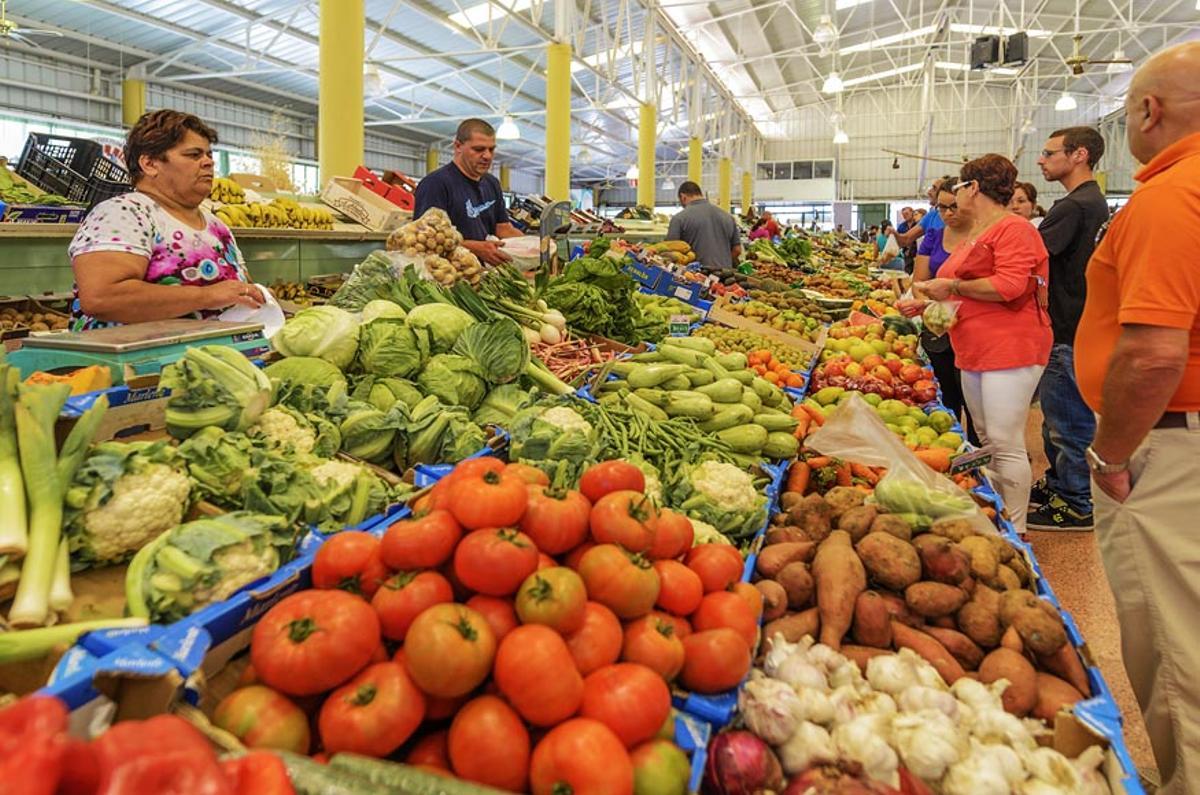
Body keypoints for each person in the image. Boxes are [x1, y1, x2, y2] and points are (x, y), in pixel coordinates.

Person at [1073, 41, 1200, 795]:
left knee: (1176, 637)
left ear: (1148, 111)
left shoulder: (1170, 197)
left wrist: (1109, 455)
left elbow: (1153, 352)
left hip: (1169, 447)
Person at [913, 154, 1052, 534]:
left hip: (1010, 347)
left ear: (972, 188)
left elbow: (1008, 286)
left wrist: (951, 287)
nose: (954, 197)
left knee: (1005, 441)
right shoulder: (980, 231)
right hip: (974, 348)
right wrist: (926, 305)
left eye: (957, 189)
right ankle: (998, 515)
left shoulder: (1016, 230)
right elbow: (964, 296)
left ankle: (1017, 527)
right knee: (988, 437)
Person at [69, 110, 262, 330]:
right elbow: (102, 298)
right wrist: (206, 296)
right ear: (150, 164)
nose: (208, 162)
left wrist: (254, 295)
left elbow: (236, 288)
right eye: (194, 155)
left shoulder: (217, 227)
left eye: (209, 155)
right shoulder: (123, 214)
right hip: (137, 359)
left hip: (211, 356)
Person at [1027, 126, 1110, 532]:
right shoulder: (1096, 203)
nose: (1041, 159)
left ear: (1079, 155)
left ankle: (1077, 503)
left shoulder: (1074, 207)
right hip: (1082, 324)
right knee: (1059, 418)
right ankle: (1061, 485)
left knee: (1068, 423)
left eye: (1049, 152)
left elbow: (1031, 259)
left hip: (1066, 329)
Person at [899, 176, 980, 446]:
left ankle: (979, 463)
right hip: (938, 329)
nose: (947, 213)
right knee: (946, 401)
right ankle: (953, 453)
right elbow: (919, 281)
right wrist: (933, 313)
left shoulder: (984, 236)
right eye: (942, 207)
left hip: (974, 330)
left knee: (978, 410)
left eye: (953, 207)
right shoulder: (934, 235)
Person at [413, 118, 521, 265]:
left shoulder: (492, 183)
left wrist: (536, 245)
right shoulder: (436, 184)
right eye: (479, 149)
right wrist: (475, 248)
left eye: (491, 149)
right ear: (458, 146)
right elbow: (425, 241)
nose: (487, 156)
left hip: (485, 275)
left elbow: (503, 228)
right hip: (449, 278)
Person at [665, 181, 741, 271]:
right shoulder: (728, 217)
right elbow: (737, 250)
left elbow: (671, 251)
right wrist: (722, 263)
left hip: (695, 277)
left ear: (683, 197)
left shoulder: (679, 218)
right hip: (725, 276)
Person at [895, 178, 946, 249]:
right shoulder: (931, 216)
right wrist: (893, 234)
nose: (929, 192)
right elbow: (906, 239)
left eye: (934, 189)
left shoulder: (955, 217)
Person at [896, 206, 918, 272]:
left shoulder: (919, 224)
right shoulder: (901, 226)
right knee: (908, 271)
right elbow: (898, 239)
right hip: (907, 253)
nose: (905, 216)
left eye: (907, 214)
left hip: (918, 252)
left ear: (912, 213)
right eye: (903, 215)